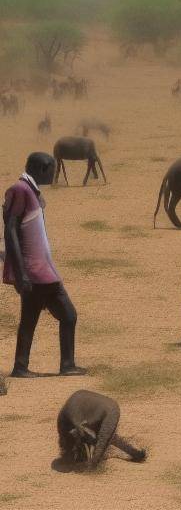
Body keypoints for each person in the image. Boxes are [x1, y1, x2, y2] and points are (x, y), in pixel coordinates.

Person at [2, 152, 86, 378]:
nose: (54, 174)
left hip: (43, 271)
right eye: (52, 170)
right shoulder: (20, 190)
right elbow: (10, 230)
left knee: (65, 316)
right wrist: (21, 273)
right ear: (41, 169)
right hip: (33, 272)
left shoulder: (30, 192)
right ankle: (24, 367)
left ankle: (64, 365)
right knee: (36, 319)